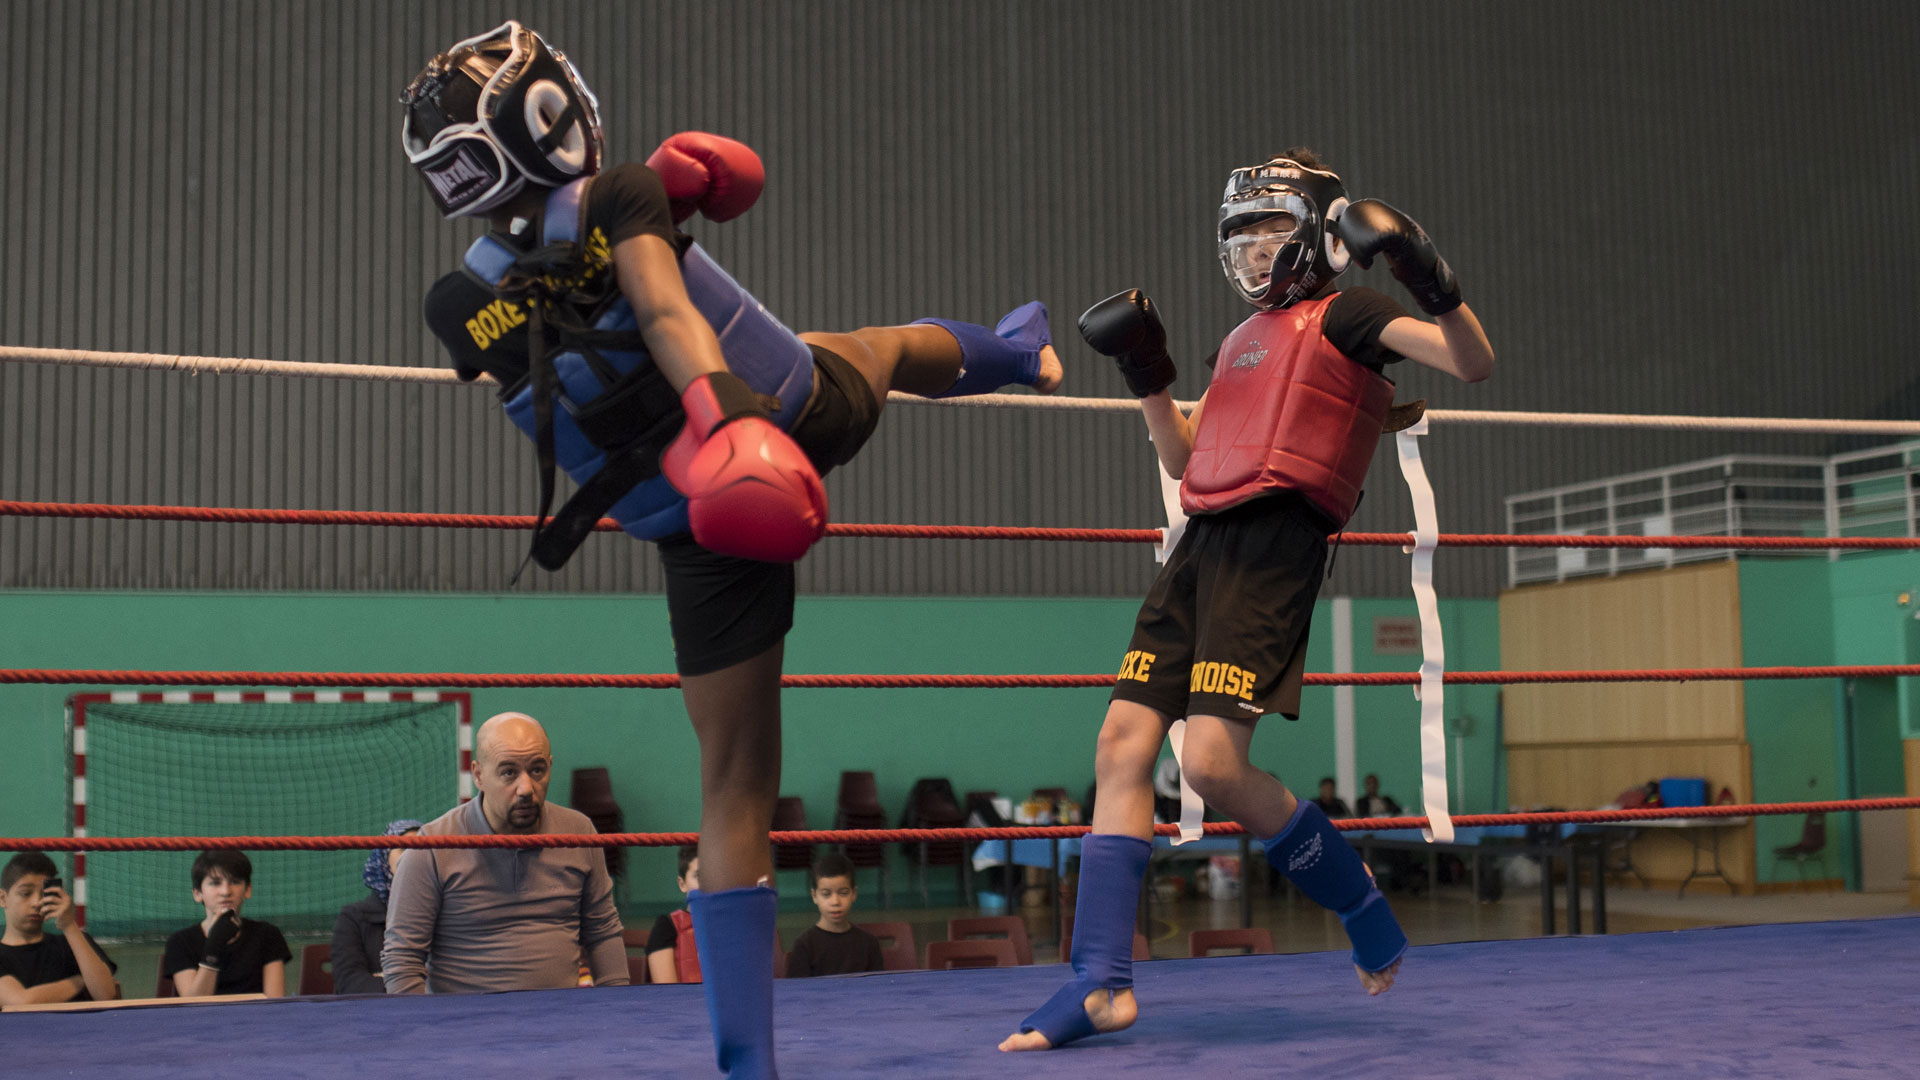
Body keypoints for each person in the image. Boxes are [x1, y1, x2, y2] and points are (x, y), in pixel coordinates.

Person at [401, 22, 1060, 1077]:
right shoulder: (617, 195)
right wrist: (729, 412)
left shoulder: (455, 300)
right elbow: (662, 310)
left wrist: (658, 209)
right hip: (774, 419)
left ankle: (746, 1062)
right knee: (875, 350)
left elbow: (547, 348)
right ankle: (1022, 349)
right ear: (554, 114)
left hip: (685, 525)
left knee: (735, 785)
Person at [1004, 149, 1493, 1052]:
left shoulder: (1350, 314)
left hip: (1277, 548)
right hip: (1202, 545)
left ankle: (1364, 908)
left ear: (1315, 234)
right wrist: (1149, 376)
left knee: (1216, 769)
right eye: (1243, 235)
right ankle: (1100, 982)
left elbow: (1472, 362)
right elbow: (1186, 462)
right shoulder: (1238, 342)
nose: (1258, 250)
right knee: (1120, 743)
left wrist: (1421, 265)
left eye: (1273, 229)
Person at [382, 711, 628, 994]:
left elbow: (603, 932)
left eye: (537, 770)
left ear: (550, 766)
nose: (526, 788)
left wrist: (617, 1007)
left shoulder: (578, 831)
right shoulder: (431, 846)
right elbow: (402, 959)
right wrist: (426, 1032)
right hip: (464, 1028)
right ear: (478, 775)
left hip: (560, 1023)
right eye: (509, 772)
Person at [163, 850, 292, 997]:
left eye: (235, 882)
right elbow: (193, 1007)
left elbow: (274, 1003)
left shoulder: (267, 935)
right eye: (215, 883)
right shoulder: (180, 942)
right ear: (198, 893)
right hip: (204, 1019)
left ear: (247, 889)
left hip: (255, 1018)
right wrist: (215, 944)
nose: (225, 891)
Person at [0, 852, 119, 1005]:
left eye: (45, 894)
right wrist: (80, 981)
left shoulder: (74, 942)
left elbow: (106, 995)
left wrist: (69, 925)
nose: (37, 902)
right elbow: (22, 1002)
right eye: (25, 893)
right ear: (3, 898)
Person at [330, 819, 422, 994]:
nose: (413, 857)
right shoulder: (353, 918)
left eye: (421, 849)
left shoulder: (446, 913)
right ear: (383, 857)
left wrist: (386, 979)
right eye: (404, 848)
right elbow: (349, 984)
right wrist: (408, 986)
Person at [784, 853, 883, 979]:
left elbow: (878, 990)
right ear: (814, 896)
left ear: (854, 893)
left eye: (843, 893)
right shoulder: (804, 946)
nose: (835, 902)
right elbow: (796, 994)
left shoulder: (869, 944)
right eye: (826, 894)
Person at [645, 846, 703, 984]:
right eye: (698, 876)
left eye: (714, 874)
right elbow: (668, 996)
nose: (706, 883)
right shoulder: (667, 927)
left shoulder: (732, 925)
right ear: (682, 884)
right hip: (682, 1004)